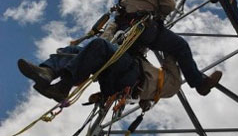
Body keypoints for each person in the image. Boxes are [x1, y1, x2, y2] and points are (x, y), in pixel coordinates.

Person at [104, 0, 222, 96]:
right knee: (180, 46)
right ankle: (199, 83)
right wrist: (160, 14)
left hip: (125, 30)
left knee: (132, 64)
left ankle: (113, 91)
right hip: (141, 28)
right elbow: (169, 5)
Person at [17, 38, 182, 104]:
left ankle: (63, 87)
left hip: (130, 78)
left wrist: (155, 35)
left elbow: (170, 53)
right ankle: (47, 72)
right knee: (77, 51)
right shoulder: (158, 86)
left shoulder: (172, 83)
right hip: (117, 81)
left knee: (99, 45)